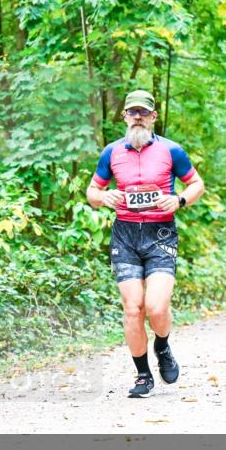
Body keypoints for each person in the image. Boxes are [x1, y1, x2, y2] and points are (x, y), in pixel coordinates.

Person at [87, 90, 205, 398]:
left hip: (160, 234)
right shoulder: (111, 152)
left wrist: (178, 200)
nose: (137, 117)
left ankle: (162, 345)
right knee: (132, 309)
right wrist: (103, 197)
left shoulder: (172, 151)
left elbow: (197, 184)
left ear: (153, 116)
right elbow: (92, 192)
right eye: (132, 112)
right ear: (124, 117)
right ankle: (143, 375)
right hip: (125, 234)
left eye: (143, 112)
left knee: (155, 307)